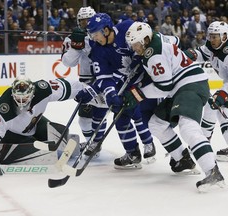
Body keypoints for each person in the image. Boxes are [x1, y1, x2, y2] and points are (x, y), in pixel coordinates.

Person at [125, 21, 225, 190]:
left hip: (190, 85)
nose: (134, 48)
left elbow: (164, 87)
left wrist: (138, 94)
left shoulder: (153, 55)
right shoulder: (157, 37)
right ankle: (183, 159)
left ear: (146, 40)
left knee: (188, 127)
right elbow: (176, 41)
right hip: (181, 87)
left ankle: (212, 171)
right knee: (156, 124)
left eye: (136, 44)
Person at [76, 13, 156, 169]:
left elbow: (147, 37)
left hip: (147, 79)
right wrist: (111, 93)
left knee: (143, 115)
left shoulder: (127, 28)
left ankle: (151, 144)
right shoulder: (98, 50)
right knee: (120, 117)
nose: (93, 38)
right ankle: (133, 153)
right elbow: (104, 78)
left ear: (106, 30)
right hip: (123, 83)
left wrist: (139, 59)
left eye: (96, 34)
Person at [0, 75, 85, 177]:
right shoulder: (3, 108)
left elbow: (67, 86)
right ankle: (10, 149)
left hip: (34, 124)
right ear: (12, 95)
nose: (22, 102)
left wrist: (86, 89)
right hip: (14, 134)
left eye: (25, 98)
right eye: (18, 99)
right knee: (42, 152)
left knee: (61, 135)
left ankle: (79, 147)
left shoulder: (43, 89)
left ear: (33, 93)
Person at [184, 21, 228, 162]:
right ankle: (203, 141)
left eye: (215, 36)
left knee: (214, 105)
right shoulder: (212, 45)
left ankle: (202, 141)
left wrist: (223, 93)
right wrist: (187, 55)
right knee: (220, 111)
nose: (211, 39)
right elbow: (201, 54)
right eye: (210, 36)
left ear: (225, 36)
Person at [61, 6, 103, 147]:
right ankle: (93, 143)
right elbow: (68, 63)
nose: (86, 23)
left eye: (88, 20)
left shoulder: (104, 34)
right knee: (84, 119)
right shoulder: (73, 38)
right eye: (82, 21)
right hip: (87, 82)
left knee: (105, 115)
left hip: (106, 79)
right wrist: (75, 46)